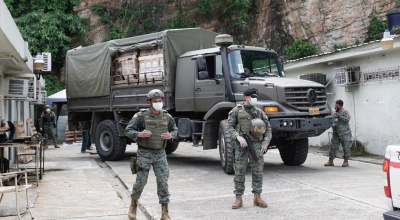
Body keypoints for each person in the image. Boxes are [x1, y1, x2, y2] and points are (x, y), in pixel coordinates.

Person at [125, 89, 178, 220]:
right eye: (155, 101)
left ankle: (165, 212)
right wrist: (139, 134)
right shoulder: (141, 116)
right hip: (144, 153)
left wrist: (171, 135)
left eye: (160, 101)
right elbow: (128, 130)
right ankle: (133, 205)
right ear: (149, 102)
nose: (158, 103)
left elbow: (175, 129)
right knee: (140, 182)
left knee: (163, 183)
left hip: (160, 154)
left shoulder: (167, 116)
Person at [226, 88, 272, 209]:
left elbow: (268, 128)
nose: (255, 98)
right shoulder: (236, 111)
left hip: (257, 145)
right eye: (252, 96)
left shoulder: (259, 112)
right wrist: (237, 137)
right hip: (242, 145)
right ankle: (238, 198)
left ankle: (257, 197)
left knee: (258, 172)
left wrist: (266, 142)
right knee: (239, 172)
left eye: (256, 96)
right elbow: (229, 127)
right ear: (246, 97)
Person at [324, 99, 352, 167]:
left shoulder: (345, 112)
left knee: (346, 147)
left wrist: (339, 116)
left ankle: (346, 161)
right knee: (333, 146)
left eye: (337, 105)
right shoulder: (333, 111)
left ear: (341, 106)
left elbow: (347, 120)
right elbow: (331, 118)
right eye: (335, 105)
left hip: (344, 133)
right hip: (336, 133)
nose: (335, 107)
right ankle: (330, 161)